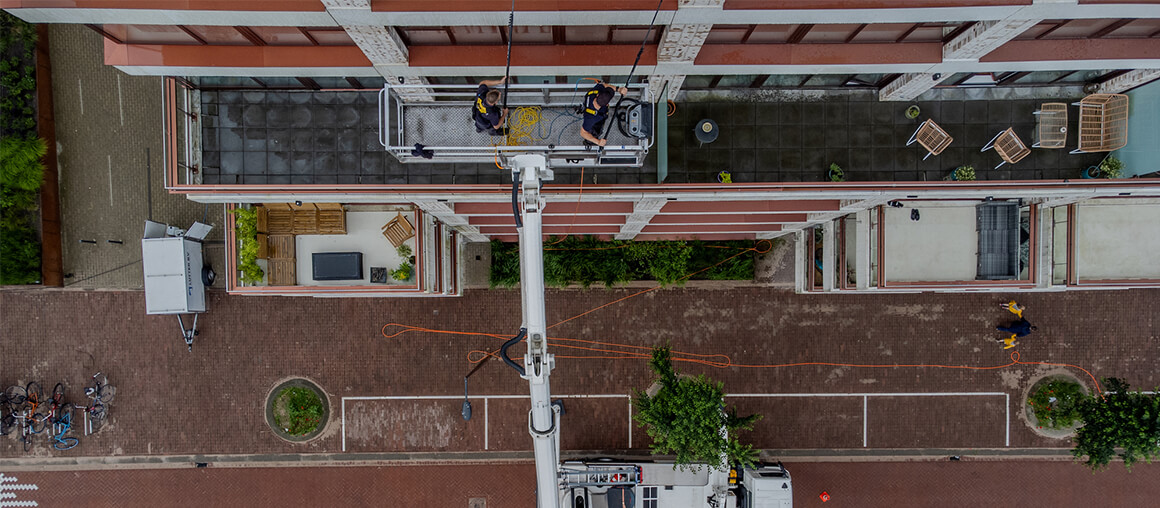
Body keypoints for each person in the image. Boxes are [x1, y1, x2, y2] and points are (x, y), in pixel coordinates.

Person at [580, 80, 628, 147]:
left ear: (598, 95)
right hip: (596, 121)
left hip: (596, 112)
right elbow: (583, 133)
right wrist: (598, 142)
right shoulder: (590, 118)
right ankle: (589, 142)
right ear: (606, 105)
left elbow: (604, 85)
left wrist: (619, 89)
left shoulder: (594, 92)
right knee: (595, 132)